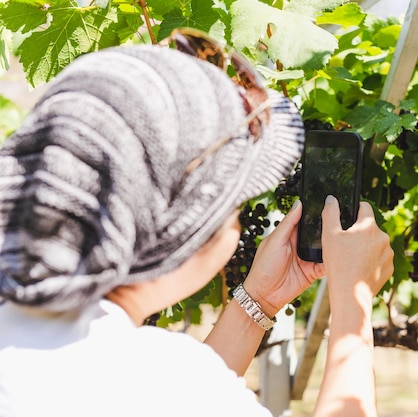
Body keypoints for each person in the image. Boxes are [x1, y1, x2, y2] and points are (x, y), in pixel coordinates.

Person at [0, 36, 394, 417]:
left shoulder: (37, 345)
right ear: (182, 230)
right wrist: (352, 301)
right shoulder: (159, 378)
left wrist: (261, 298)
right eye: (231, 203)